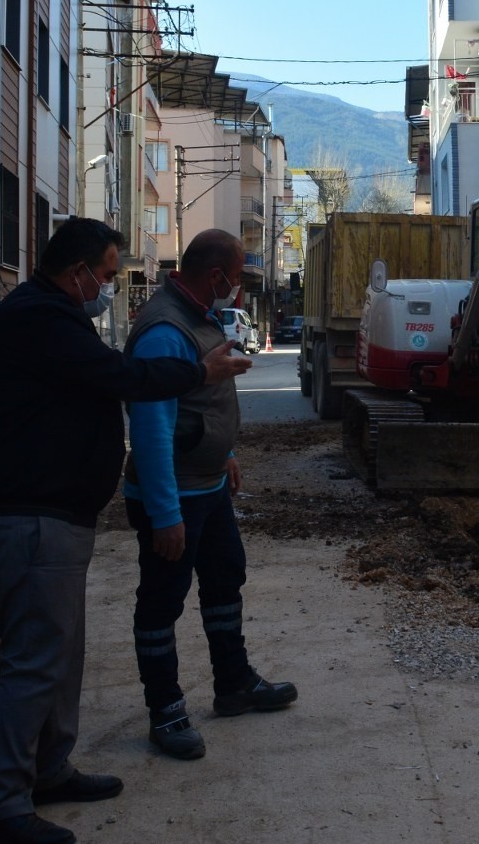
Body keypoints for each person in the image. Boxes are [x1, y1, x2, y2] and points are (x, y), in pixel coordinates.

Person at [0, 218, 251, 844]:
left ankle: (48, 768)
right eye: (109, 276)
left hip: (52, 514)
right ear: (79, 272)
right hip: (29, 515)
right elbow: (128, 385)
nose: (110, 288)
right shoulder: (43, 320)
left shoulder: (48, 317)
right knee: (36, 661)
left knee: (61, 654)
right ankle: (0, 810)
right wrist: (201, 375)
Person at [122, 228, 297, 761]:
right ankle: (166, 711)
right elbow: (151, 430)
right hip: (175, 495)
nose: (240, 287)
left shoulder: (197, 317)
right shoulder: (163, 330)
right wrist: (165, 513)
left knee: (225, 578)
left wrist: (224, 454)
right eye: (238, 276)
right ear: (216, 275)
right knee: (161, 601)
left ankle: (234, 683)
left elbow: (201, 403)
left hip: (209, 485)